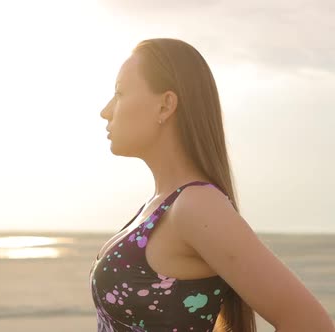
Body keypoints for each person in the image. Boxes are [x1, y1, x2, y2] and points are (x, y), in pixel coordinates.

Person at [92, 38, 335, 332]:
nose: (106, 110)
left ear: (165, 105)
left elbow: (310, 323)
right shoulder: (159, 206)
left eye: (119, 93)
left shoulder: (195, 207)